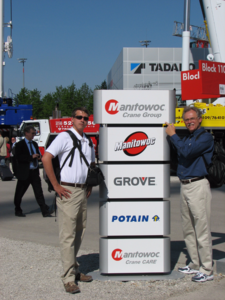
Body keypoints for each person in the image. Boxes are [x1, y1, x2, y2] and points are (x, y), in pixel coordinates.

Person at [42, 107, 95, 294]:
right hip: (67, 190)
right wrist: (56, 185)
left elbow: (90, 165)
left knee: (79, 232)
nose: (82, 120)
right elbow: (46, 158)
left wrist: (88, 184)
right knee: (68, 236)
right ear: (72, 119)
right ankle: (68, 278)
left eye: (85, 118)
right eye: (79, 117)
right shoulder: (64, 137)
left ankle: (74, 268)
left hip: (82, 191)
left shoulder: (88, 141)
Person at [165, 106, 214, 283]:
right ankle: (194, 263)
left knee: (201, 229)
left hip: (198, 185)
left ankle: (207, 268)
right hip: (185, 186)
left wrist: (173, 135)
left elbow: (186, 151)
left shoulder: (205, 137)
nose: (189, 122)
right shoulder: (189, 137)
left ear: (200, 119)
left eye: (192, 118)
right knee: (188, 228)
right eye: (186, 119)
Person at [13, 126, 51, 217]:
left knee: (39, 192)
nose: (34, 135)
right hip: (25, 173)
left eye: (35, 133)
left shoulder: (34, 144)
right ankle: (17, 209)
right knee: (19, 193)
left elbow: (38, 153)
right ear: (26, 133)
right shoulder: (19, 145)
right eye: (33, 133)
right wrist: (30, 157)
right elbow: (18, 157)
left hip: (34, 172)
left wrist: (39, 157)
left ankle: (44, 210)